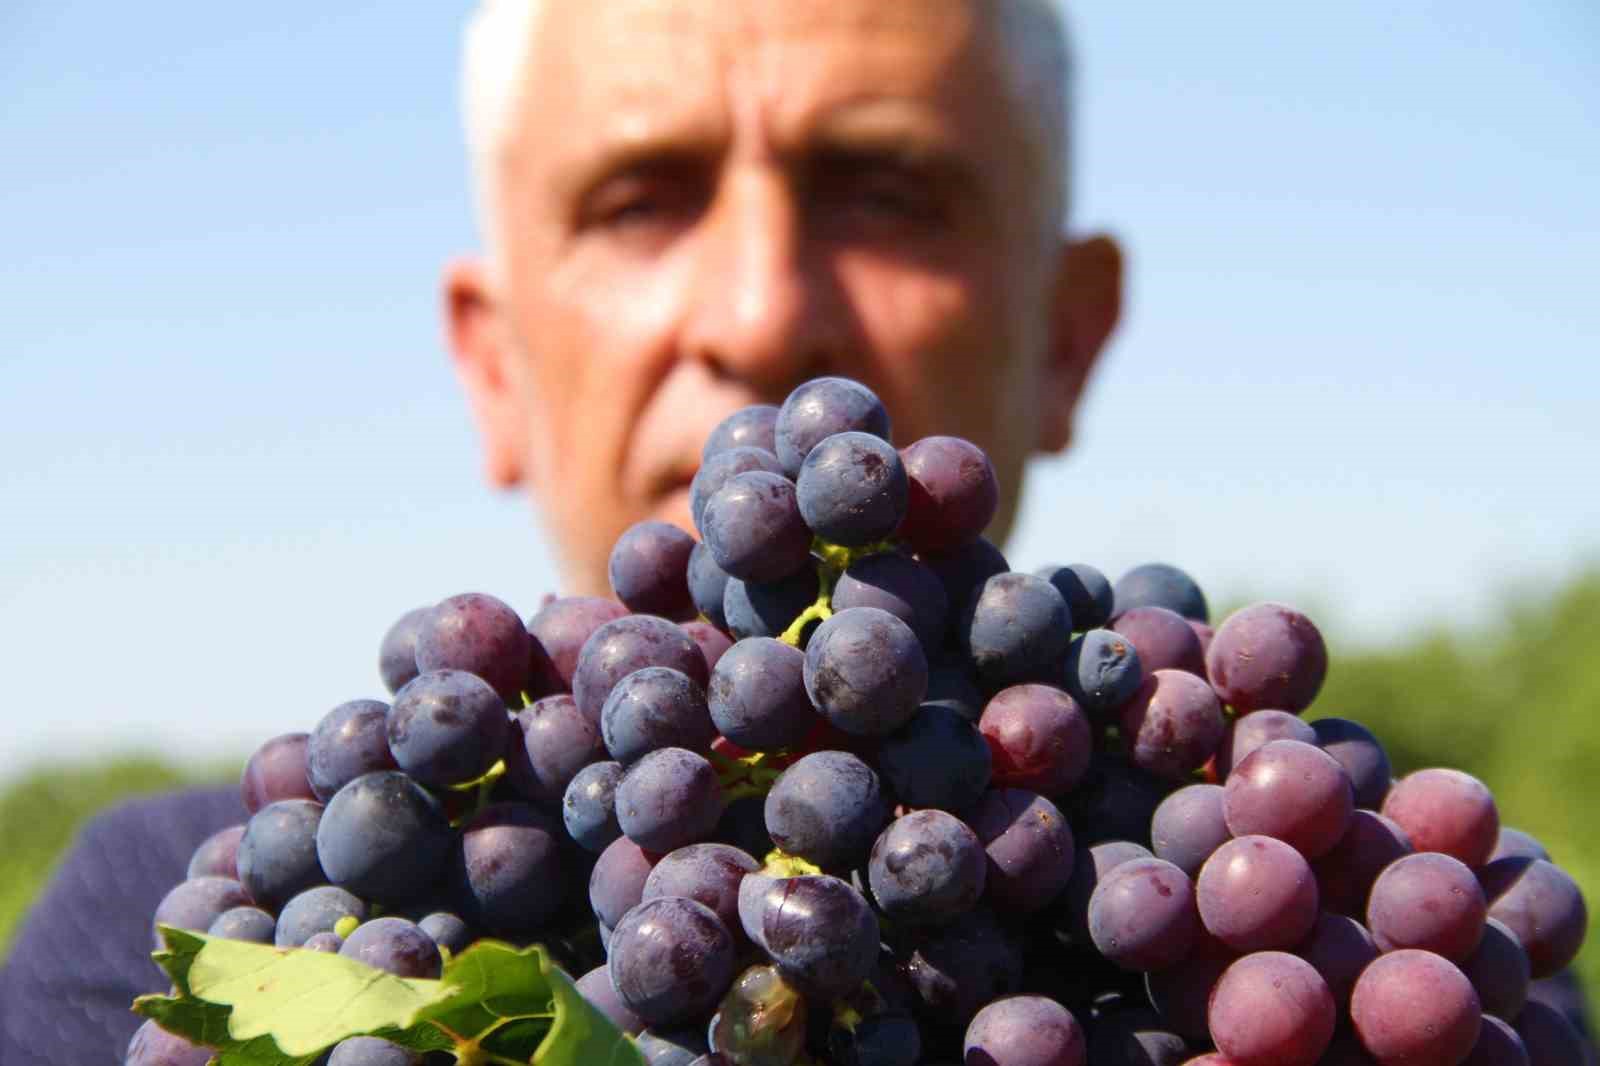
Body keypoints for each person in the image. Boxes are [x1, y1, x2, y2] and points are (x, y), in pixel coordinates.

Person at [0, 5, 1119, 1062]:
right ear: (492, 366)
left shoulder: (1174, 907)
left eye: (884, 193)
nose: (760, 314)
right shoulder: (173, 923)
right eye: (638, 201)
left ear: (1068, 338)